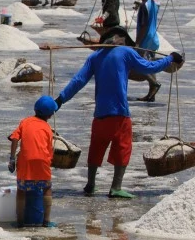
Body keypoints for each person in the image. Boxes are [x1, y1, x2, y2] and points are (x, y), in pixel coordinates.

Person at [54, 26, 183, 199]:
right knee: (123, 148)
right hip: (120, 112)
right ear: (117, 39)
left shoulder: (94, 57)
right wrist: (170, 58)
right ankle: (116, 187)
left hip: (100, 114)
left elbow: (79, 80)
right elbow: (149, 68)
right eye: (123, 39)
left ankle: (90, 184)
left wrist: (60, 99)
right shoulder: (124, 52)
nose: (124, 42)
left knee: (96, 148)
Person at [8, 96, 58, 228]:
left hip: (26, 162)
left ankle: (20, 222)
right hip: (42, 162)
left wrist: (12, 159)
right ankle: (46, 221)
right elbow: (49, 149)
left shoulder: (25, 122)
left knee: (21, 190)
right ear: (50, 115)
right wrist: (49, 162)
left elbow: (14, 138)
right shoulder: (47, 128)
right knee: (46, 188)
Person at [133, 0, 162, 102]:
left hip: (145, 40)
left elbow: (144, 26)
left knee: (141, 65)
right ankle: (151, 95)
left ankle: (154, 84)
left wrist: (138, 42)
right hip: (153, 39)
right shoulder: (153, 4)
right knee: (150, 65)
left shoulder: (145, 6)